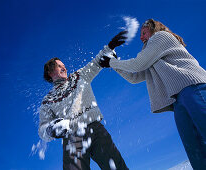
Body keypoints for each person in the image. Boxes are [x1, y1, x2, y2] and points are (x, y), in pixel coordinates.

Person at [99, 19, 206, 169]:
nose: (141, 37)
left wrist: (111, 62)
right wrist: (115, 64)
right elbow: (134, 77)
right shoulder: (150, 54)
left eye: (143, 33)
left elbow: (138, 64)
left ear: (153, 28)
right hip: (178, 99)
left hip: (193, 87)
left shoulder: (160, 36)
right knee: (195, 150)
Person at [38, 32, 129, 170]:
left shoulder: (79, 77)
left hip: (95, 129)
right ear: (50, 72)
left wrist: (110, 47)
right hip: (72, 137)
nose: (65, 68)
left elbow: (96, 62)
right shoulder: (47, 100)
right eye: (59, 66)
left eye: (64, 65)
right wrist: (52, 130)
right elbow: (42, 129)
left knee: (116, 167)